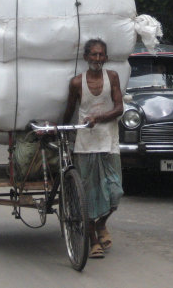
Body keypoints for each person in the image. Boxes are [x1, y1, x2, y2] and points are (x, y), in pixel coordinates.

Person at [62, 38, 124, 259]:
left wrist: (99, 117)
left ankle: (100, 224)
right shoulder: (77, 83)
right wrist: (59, 128)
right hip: (85, 145)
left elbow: (119, 108)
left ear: (105, 57)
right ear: (86, 57)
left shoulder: (112, 78)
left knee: (115, 191)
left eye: (101, 55)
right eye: (94, 55)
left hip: (108, 141)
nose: (97, 59)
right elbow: (69, 110)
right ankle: (93, 241)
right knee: (87, 195)